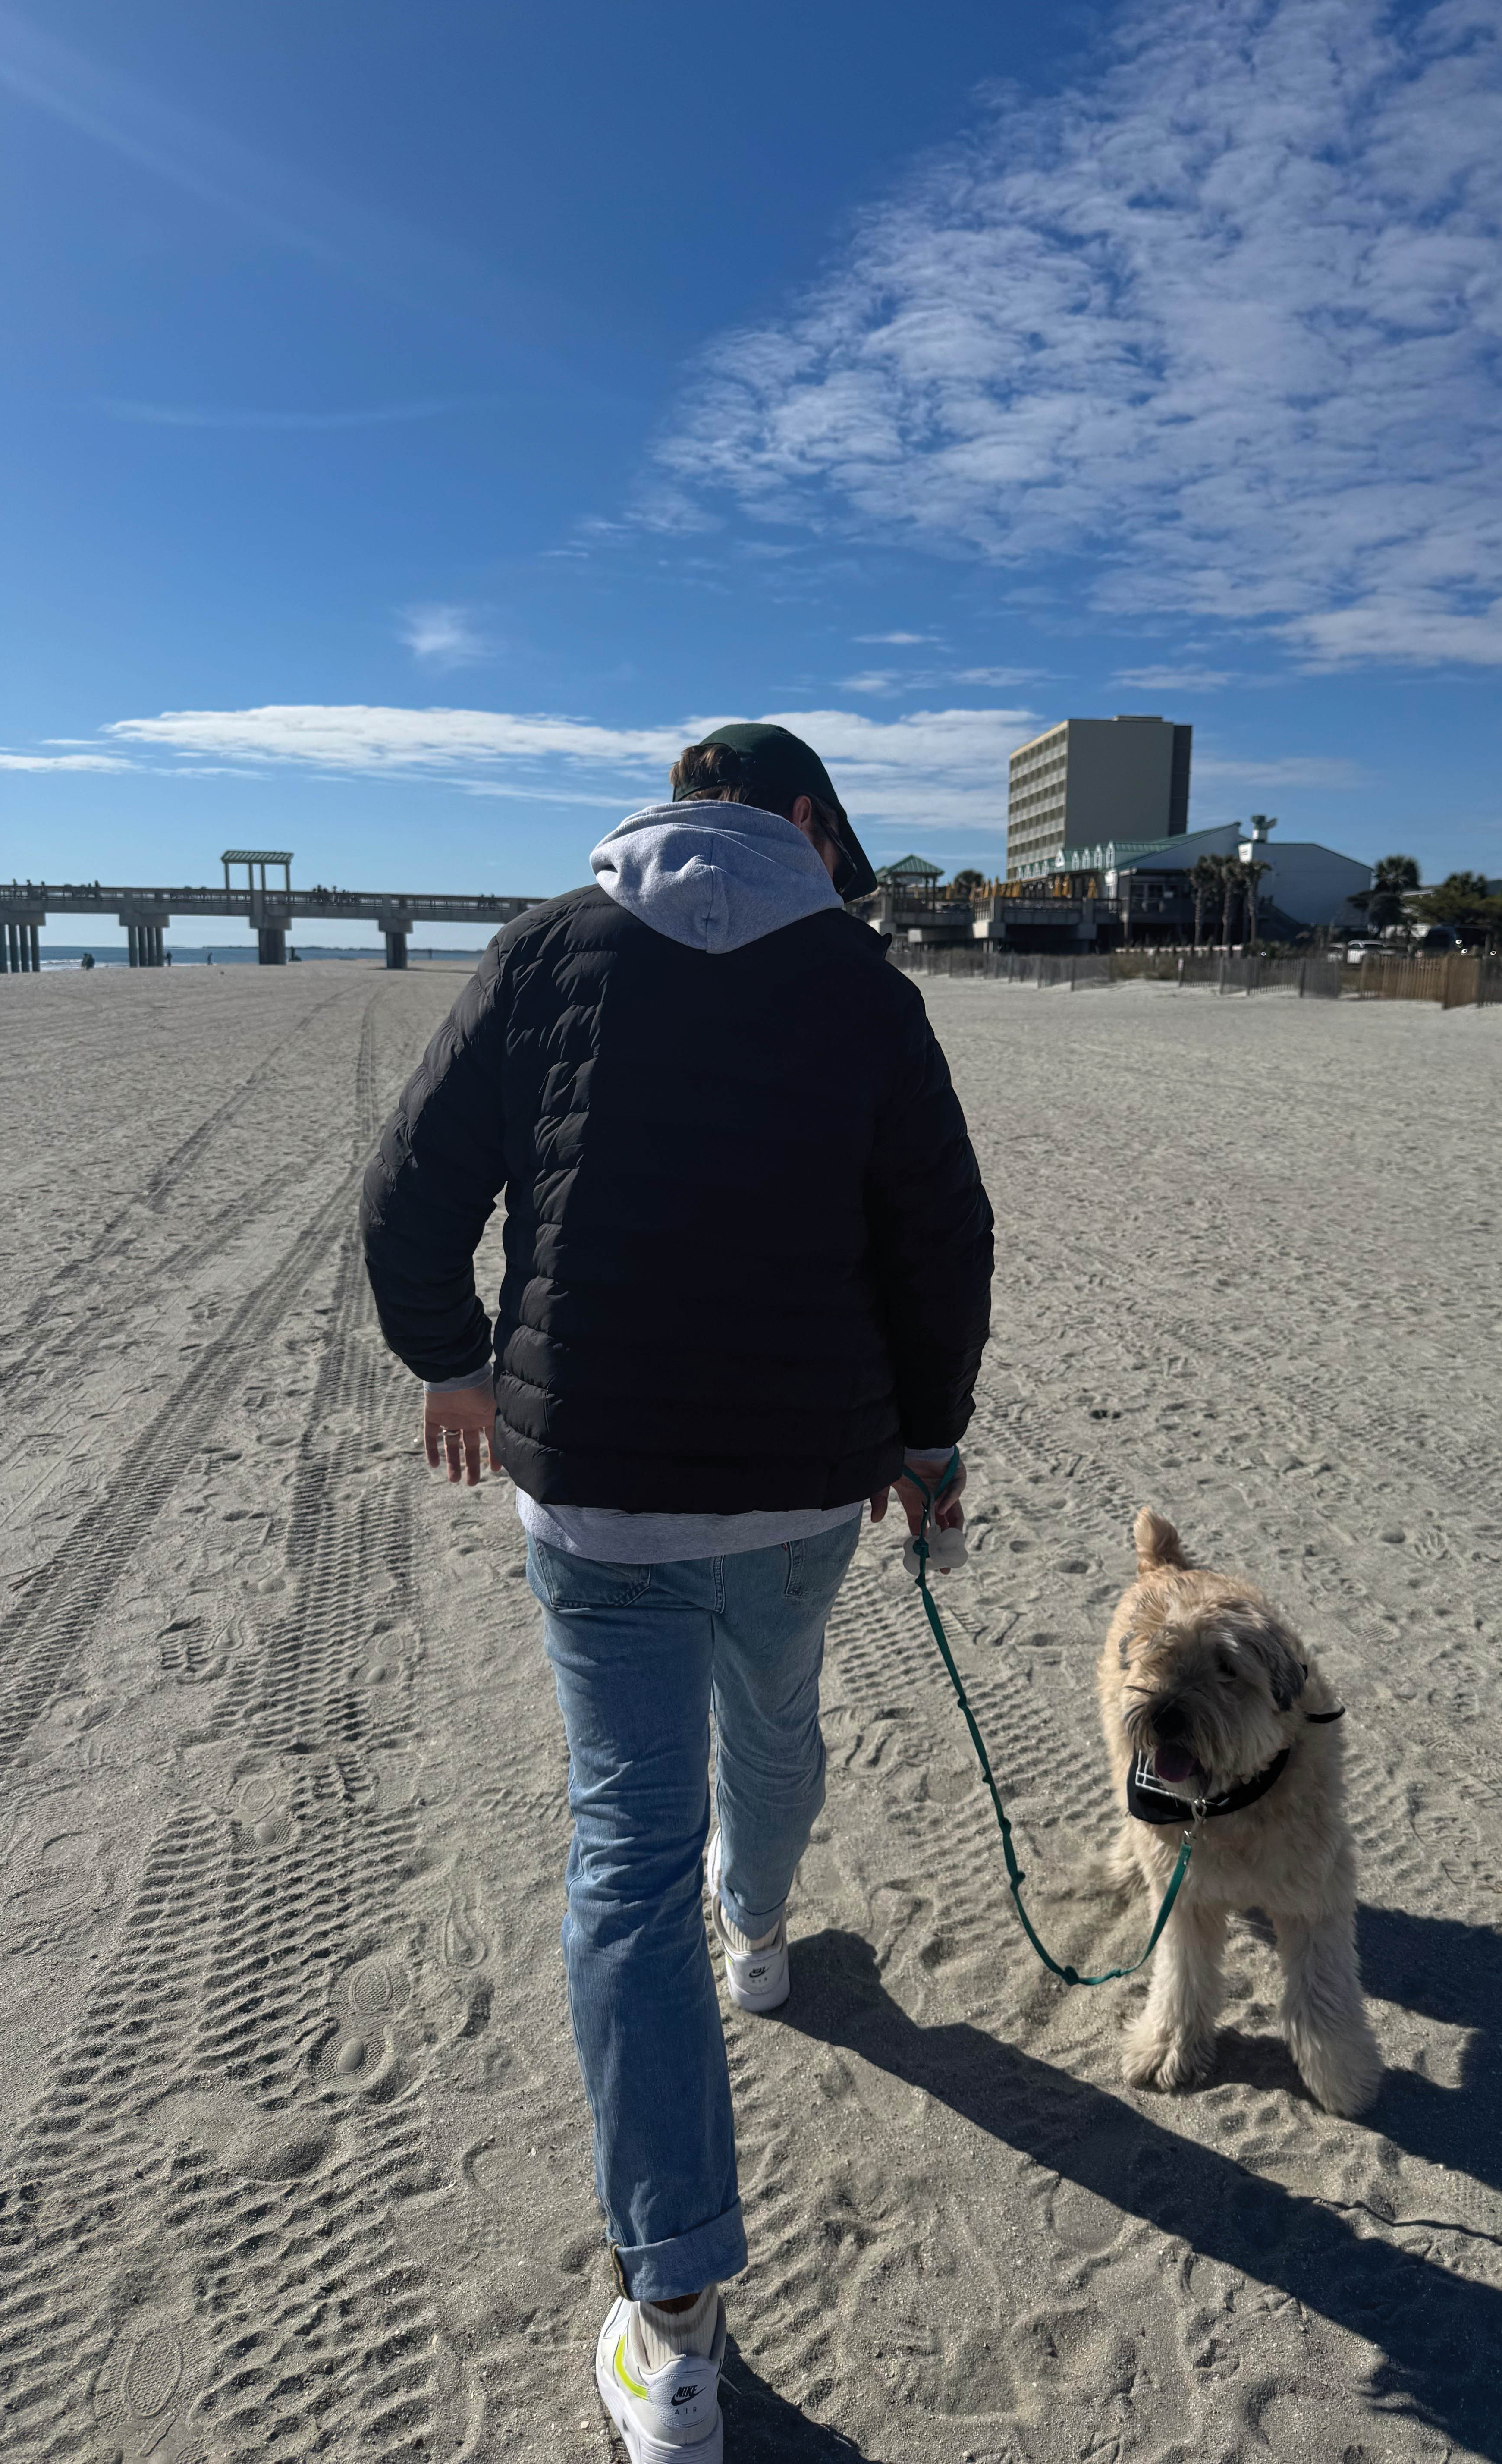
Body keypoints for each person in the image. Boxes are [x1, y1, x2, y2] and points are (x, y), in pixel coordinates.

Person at [361, 723, 993, 2459]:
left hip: (601, 1493)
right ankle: (765, 1938)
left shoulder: (545, 953)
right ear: (800, 822)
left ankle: (676, 2325)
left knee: (624, 1855)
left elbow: (410, 1194)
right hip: (801, 1482)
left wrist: (453, 1364)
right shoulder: (862, 987)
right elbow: (940, 1237)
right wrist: (928, 1437)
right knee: (773, 1717)